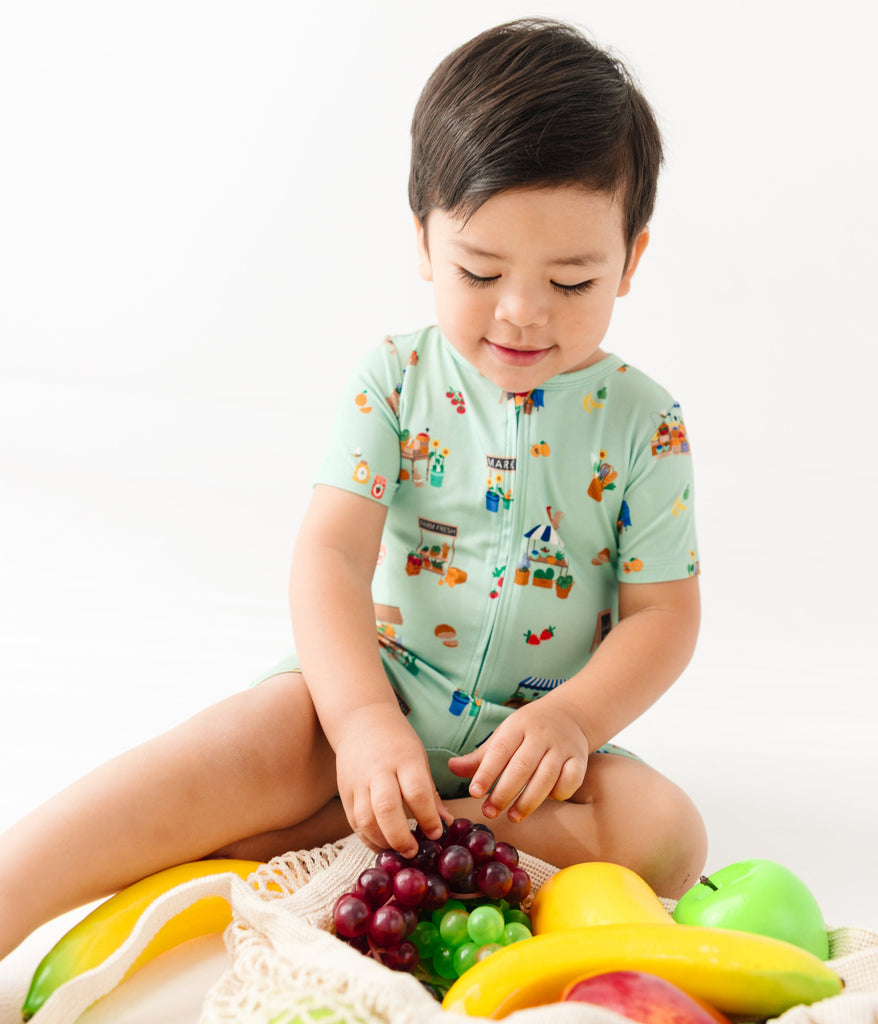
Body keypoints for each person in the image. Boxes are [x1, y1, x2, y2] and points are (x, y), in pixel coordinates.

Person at [0, 18, 705, 961]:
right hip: (371, 688)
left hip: (523, 756)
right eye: (480, 271)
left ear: (633, 259)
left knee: (667, 832)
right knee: (241, 742)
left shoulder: (645, 422)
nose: (523, 312)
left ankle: (321, 842)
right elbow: (330, 554)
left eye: (574, 282)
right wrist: (364, 721)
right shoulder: (395, 379)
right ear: (423, 239)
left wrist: (573, 719)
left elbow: (665, 614)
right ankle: (18, 886)